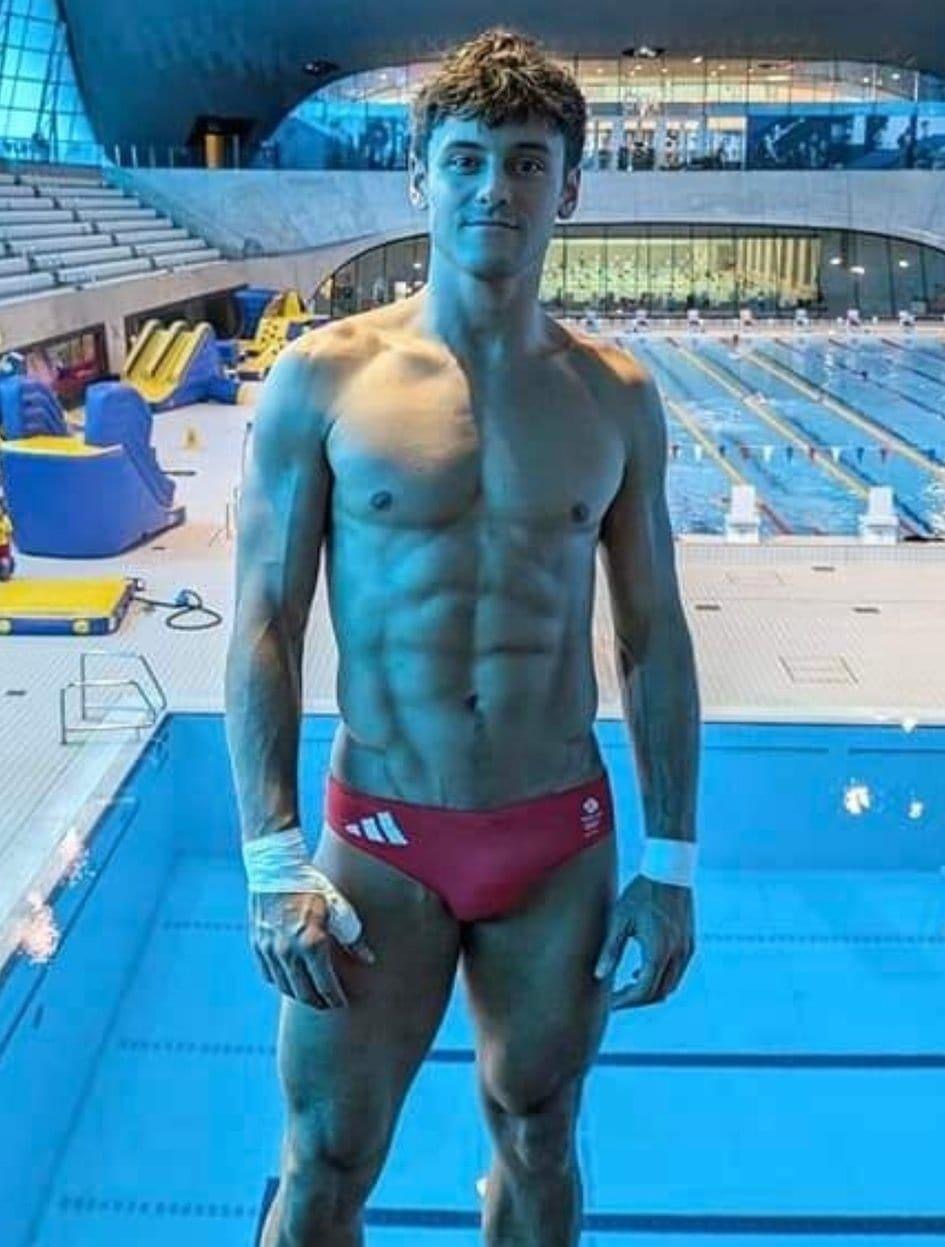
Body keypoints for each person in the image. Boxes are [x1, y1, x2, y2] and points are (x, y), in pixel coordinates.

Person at [225, 27, 700, 1247]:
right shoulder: (325, 378)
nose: (498, 188)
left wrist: (673, 863)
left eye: (530, 162)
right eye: (469, 158)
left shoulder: (616, 395)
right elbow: (267, 620)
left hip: (556, 840)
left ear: (571, 189)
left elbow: (653, 634)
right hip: (380, 838)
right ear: (420, 177)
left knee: (540, 1134)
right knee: (325, 1156)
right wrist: (272, 857)